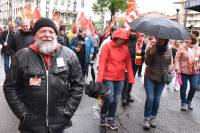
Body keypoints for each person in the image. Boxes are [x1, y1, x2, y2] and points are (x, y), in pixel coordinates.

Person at [3, 18, 84, 133]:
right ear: (35, 35)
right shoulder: (20, 56)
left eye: (51, 32)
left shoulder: (69, 55)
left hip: (58, 123)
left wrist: (68, 111)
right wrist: (23, 114)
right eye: (42, 31)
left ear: (56, 35)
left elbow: (78, 85)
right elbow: (10, 87)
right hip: (31, 125)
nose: (47, 35)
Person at [97, 28, 134, 130]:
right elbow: (102, 62)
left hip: (120, 78)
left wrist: (131, 78)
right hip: (108, 76)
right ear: (116, 37)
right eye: (120, 38)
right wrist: (99, 79)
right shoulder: (106, 46)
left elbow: (129, 64)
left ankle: (111, 119)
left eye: (124, 39)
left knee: (116, 99)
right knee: (109, 97)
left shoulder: (125, 49)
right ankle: (103, 115)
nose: (122, 40)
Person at [143, 38, 172, 130]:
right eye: (158, 39)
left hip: (161, 78)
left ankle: (153, 117)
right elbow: (146, 62)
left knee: (157, 99)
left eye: (162, 39)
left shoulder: (169, 49)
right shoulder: (151, 47)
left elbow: (169, 63)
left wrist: (170, 68)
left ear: (166, 40)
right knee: (150, 98)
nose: (159, 40)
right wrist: (151, 53)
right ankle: (147, 118)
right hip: (150, 76)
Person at [174, 35, 200, 111]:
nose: (187, 41)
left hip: (195, 71)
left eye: (189, 40)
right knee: (183, 87)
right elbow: (177, 59)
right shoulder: (182, 48)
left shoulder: (198, 49)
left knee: (194, 86)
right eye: (186, 40)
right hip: (183, 71)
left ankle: (189, 101)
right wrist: (177, 68)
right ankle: (183, 103)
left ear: (193, 41)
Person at [122, 30, 146, 106]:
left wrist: (139, 52)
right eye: (132, 32)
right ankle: (124, 97)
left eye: (135, 32)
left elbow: (143, 51)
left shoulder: (140, 41)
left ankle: (128, 95)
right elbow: (126, 49)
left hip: (136, 63)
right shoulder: (126, 40)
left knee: (131, 80)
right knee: (126, 80)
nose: (133, 33)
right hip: (127, 62)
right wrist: (135, 51)